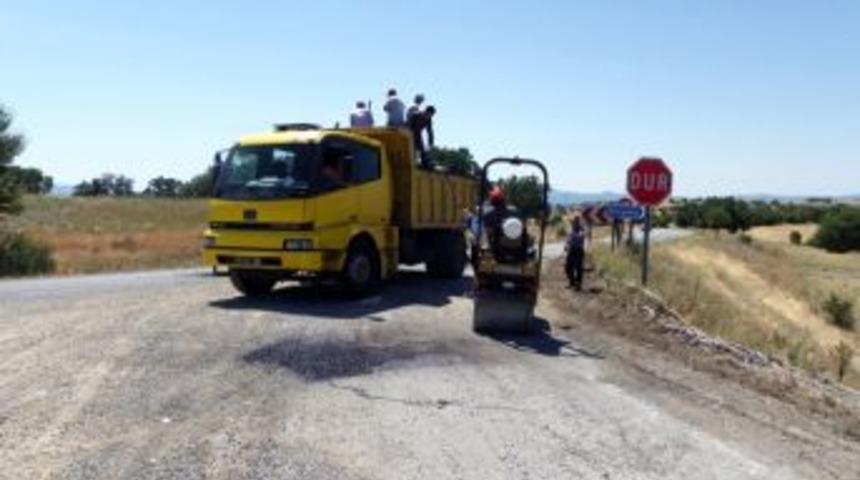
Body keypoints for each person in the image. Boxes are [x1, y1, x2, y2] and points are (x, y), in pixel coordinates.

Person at [565, 216, 586, 290]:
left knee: (578, 268)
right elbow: (567, 239)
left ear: (578, 222)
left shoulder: (581, 229)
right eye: (573, 222)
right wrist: (566, 245)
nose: (574, 223)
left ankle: (578, 284)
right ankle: (572, 282)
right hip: (571, 250)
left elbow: (581, 236)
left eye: (576, 222)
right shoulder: (570, 229)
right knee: (568, 267)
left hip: (578, 250)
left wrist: (573, 237)